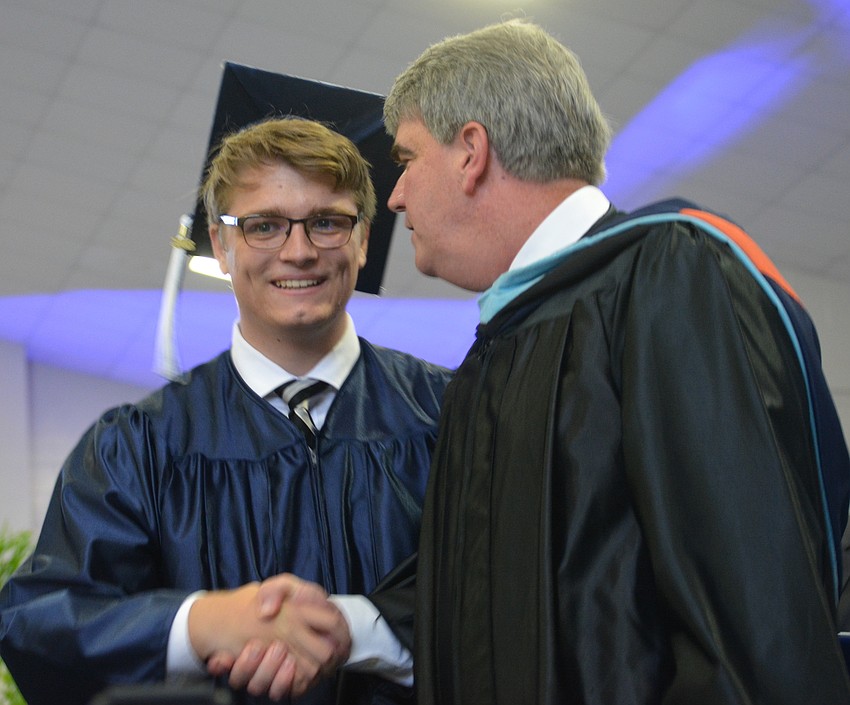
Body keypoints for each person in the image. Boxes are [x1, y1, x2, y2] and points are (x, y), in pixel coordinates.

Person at [241, 18, 850, 704]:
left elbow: (753, 628)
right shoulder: (508, 342)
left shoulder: (672, 278)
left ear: (471, 151)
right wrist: (348, 625)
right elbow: (514, 598)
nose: (398, 194)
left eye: (407, 159)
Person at [0, 117, 451, 705]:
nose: (298, 251)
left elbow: (518, 590)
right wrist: (201, 624)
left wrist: (360, 630)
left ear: (363, 238)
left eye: (327, 222)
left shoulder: (451, 415)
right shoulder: (142, 446)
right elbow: (39, 623)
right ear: (220, 244)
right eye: (263, 226)